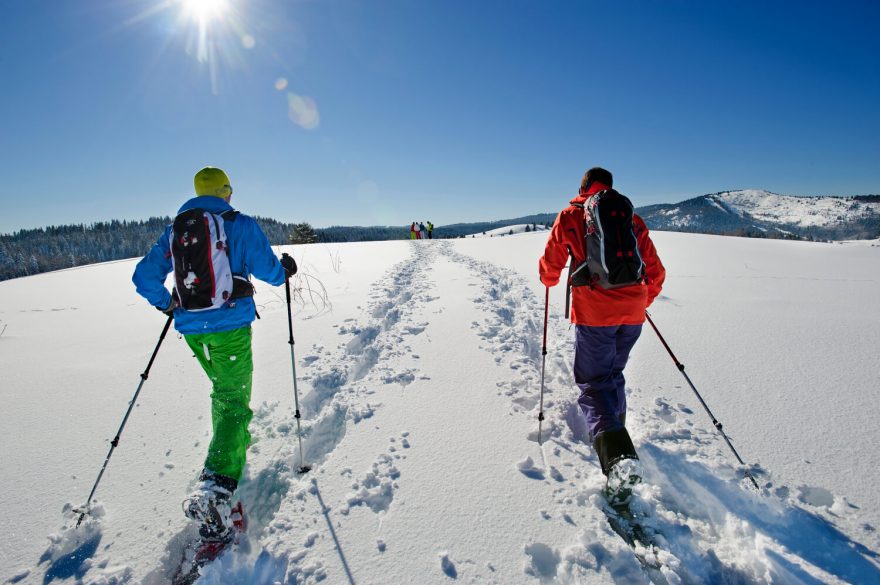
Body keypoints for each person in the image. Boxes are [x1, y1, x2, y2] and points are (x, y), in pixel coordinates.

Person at [132, 166, 296, 541]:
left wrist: (168, 303)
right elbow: (270, 273)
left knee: (223, 391)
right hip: (230, 328)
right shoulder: (239, 224)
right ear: (225, 191)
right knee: (234, 400)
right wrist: (285, 269)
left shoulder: (175, 230)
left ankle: (231, 445)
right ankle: (215, 491)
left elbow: (143, 277)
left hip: (192, 330)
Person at [538, 167, 665, 505]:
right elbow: (656, 271)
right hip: (633, 313)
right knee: (613, 373)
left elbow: (550, 267)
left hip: (595, 313)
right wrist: (640, 302)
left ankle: (618, 457)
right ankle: (616, 428)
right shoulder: (630, 218)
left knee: (593, 382)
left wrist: (548, 278)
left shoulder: (571, 216)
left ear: (582, 188)